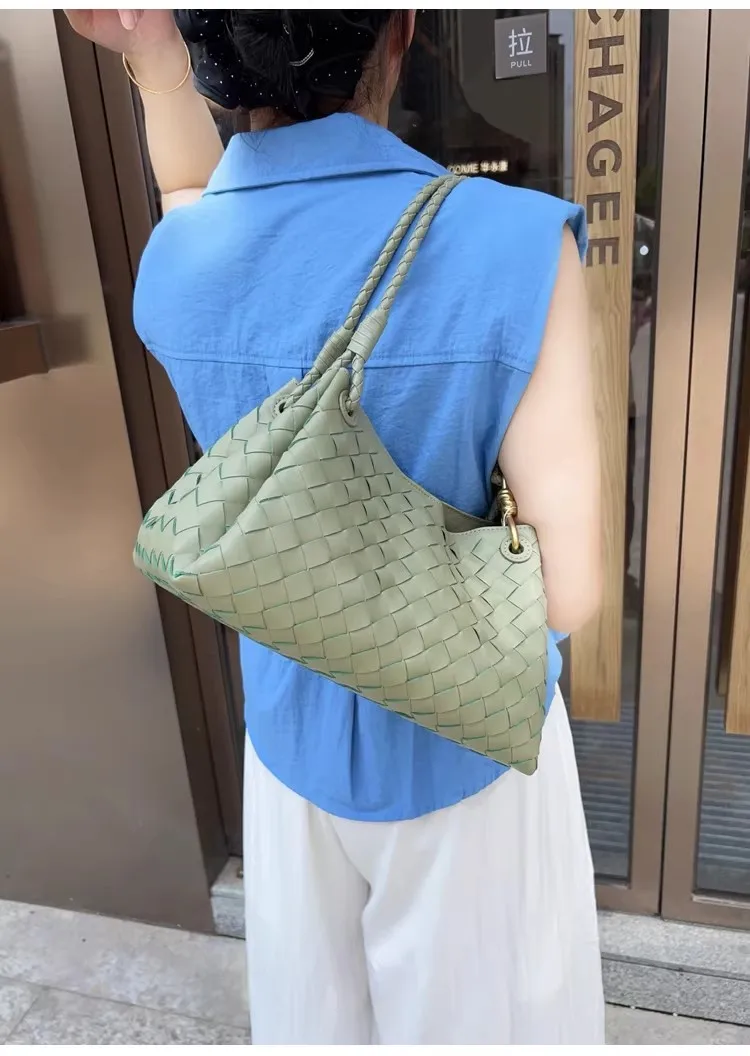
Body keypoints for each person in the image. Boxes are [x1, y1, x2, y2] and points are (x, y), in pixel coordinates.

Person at [66, 9, 604, 1044]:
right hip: (465, 748)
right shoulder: (516, 245)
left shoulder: (179, 265)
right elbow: (570, 591)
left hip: (288, 741)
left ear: (216, 59)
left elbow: (191, 196)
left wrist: (153, 59)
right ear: (399, 35)